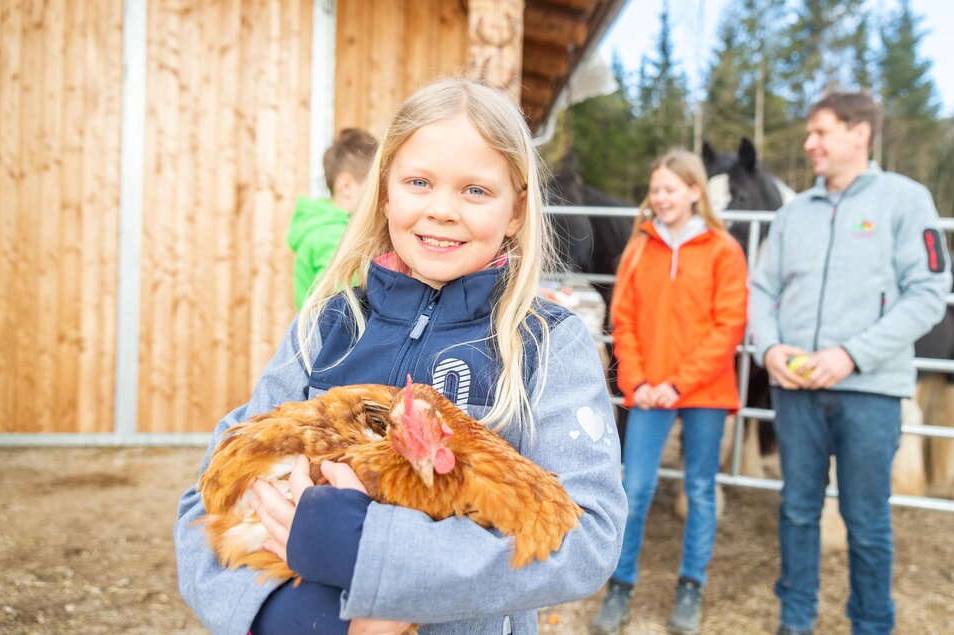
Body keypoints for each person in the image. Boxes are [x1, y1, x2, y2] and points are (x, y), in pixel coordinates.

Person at [174, 77, 626, 635]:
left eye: (475, 191)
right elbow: (211, 496)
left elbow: (590, 534)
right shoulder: (326, 325)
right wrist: (282, 618)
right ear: (384, 192)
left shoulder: (546, 342)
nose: (441, 210)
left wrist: (374, 554)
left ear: (516, 211)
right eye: (419, 182)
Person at [751, 91, 952, 635]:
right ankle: (795, 620)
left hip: (871, 392)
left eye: (821, 132)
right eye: (809, 133)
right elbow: (760, 289)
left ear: (859, 132)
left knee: (866, 522)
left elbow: (929, 292)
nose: (808, 143)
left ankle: (872, 623)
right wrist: (769, 349)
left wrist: (851, 355)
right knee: (796, 511)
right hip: (795, 392)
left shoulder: (905, 201)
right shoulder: (794, 214)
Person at [591, 149, 749, 635]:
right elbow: (625, 320)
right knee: (634, 490)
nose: (660, 198)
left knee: (699, 489)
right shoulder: (639, 249)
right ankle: (620, 585)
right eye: (655, 189)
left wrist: (678, 382)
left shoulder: (724, 250)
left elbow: (729, 326)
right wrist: (638, 380)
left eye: (670, 190)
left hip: (704, 391)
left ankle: (691, 586)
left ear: (694, 192)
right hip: (648, 391)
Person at [287, 127, 378, 309]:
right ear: (346, 186)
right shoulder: (334, 236)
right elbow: (344, 307)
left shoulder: (323, 226)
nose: (379, 194)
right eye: (374, 184)